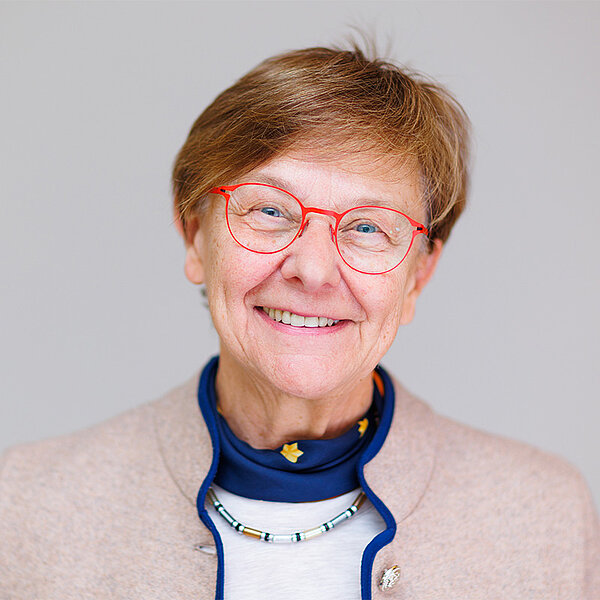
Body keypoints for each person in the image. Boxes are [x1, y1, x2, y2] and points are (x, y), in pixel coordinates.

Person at [1, 44, 598, 600]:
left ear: (418, 275)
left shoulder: (545, 515)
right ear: (195, 237)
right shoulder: (24, 507)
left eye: (368, 226)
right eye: (269, 210)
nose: (313, 270)